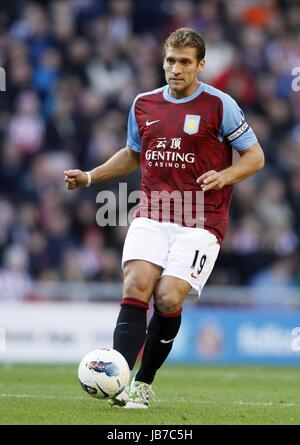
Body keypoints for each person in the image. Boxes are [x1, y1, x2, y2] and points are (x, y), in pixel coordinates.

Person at [64, 28, 264, 409]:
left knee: (169, 298)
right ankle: (119, 379)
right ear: (163, 61)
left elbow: (255, 157)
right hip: (153, 212)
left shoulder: (221, 106)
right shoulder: (143, 104)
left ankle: (144, 381)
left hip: (202, 221)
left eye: (185, 62)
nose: (176, 68)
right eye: (170, 61)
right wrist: (90, 176)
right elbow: (131, 154)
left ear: (200, 65)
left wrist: (225, 175)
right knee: (136, 283)